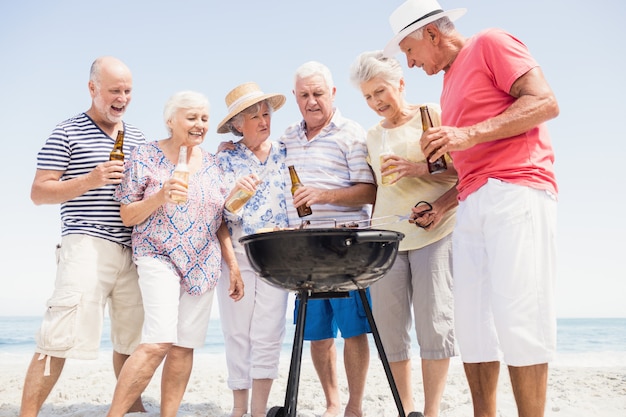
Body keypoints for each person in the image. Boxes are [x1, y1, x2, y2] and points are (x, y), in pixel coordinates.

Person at [384, 1, 560, 416]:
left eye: (409, 51)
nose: (409, 64)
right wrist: (441, 205)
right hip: (471, 203)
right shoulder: (448, 83)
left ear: (431, 34)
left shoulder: (490, 42)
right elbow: (469, 162)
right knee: (473, 326)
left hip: (517, 189)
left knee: (521, 317)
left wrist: (468, 134)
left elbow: (545, 101)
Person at [105, 90, 244, 417]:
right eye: (192, 117)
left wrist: (233, 265)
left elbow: (220, 221)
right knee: (158, 340)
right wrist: (159, 197)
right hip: (157, 255)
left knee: (184, 346)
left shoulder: (214, 165)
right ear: (170, 121)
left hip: (203, 263)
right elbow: (127, 215)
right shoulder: (144, 156)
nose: (199, 124)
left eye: (205, 119)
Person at [21, 56, 146, 417]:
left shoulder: (136, 137)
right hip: (86, 244)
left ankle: (132, 408)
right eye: (114, 91)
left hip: (132, 248)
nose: (121, 98)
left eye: (127, 91)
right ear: (92, 89)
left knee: (132, 339)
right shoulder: (67, 131)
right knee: (58, 337)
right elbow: (39, 192)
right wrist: (90, 180)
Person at [349, 50, 458, 417]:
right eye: (367, 96)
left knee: (435, 326)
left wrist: (417, 169)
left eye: (380, 91)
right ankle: (405, 409)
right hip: (386, 243)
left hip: (435, 234)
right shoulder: (372, 135)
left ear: (400, 83)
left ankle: (431, 412)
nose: (376, 102)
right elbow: (378, 191)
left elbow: (461, 174)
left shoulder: (431, 115)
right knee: (391, 332)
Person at [281, 61, 377, 417]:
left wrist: (322, 195)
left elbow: (368, 191)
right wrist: (232, 147)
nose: (311, 101)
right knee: (317, 334)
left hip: (348, 249)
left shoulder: (352, 133)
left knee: (354, 330)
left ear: (333, 93)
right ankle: (332, 403)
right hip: (304, 250)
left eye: (318, 93)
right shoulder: (287, 137)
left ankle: (354, 406)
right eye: (304, 95)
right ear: (295, 96)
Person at [216, 82, 290, 417]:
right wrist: (234, 197)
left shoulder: (286, 151)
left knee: (269, 331)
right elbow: (219, 215)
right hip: (239, 254)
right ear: (236, 125)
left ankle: (258, 412)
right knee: (237, 331)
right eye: (255, 116)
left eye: (266, 114)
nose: (264, 121)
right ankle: (238, 409)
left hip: (277, 253)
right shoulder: (225, 157)